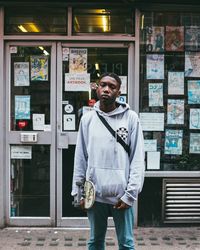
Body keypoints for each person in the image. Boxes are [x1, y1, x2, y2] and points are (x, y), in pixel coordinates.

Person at [71, 72, 145, 250]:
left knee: (126, 243)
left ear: (119, 92)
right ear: (97, 88)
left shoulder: (130, 118)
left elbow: (137, 159)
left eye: (112, 87)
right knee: (95, 241)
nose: (106, 89)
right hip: (95, 194)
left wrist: (130, 194)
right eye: (103, 85)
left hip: (121, 195)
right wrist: (78, 192)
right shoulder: (88, 119)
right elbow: (81, 156)